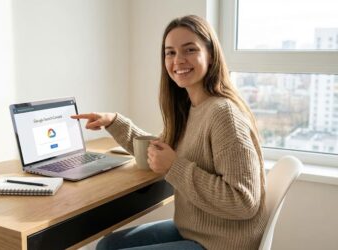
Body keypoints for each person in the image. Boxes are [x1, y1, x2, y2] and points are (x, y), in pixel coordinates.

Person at [72, 15, 267, 250]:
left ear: (211, 54)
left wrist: (175, 166)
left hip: (223, 243)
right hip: (194, 230)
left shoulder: (223, 114)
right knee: (107, 246)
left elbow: (243, 202)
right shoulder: (191, 108)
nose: (178, 60)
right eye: (170, 52)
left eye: (189, 50)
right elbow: (157, 152)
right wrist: (114, 121)